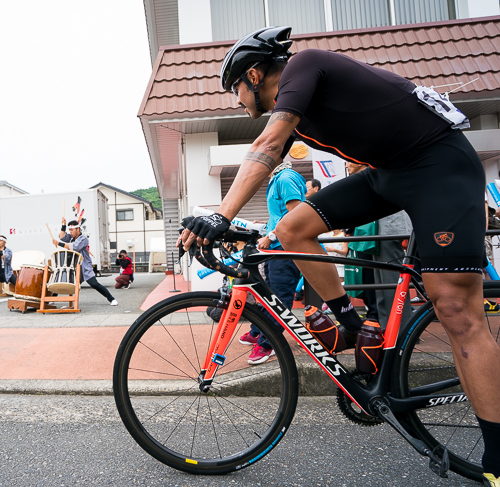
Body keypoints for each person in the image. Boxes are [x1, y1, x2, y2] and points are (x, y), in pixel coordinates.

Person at [181, 26, 500, 480]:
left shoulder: (305, 65)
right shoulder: (304, 109)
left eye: (235, 90)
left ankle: (498, 459)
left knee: (455, 308)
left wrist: (220, 215)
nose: (237, 101)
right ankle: (348, 320)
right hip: (391, 173)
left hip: (439, 166)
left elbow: (268, 146)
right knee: (294, 229)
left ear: (253, 75)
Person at [238, 160, 304, 364]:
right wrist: (266, 227)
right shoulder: (278, 179)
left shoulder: (285, 178)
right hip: (276, 250)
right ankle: (259, 331)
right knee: (267, 295)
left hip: (285, 249)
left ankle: (269, 344)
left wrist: (271, 236)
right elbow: (281, 215)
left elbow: (297, 214)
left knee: (280, 299)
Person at [54, 219, 117, 306]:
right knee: (64, 281)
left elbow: (75, 247)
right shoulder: (71, 238)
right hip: (75, 267)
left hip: (85, 266)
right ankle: (51, 299)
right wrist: (63, 226)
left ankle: (111, 299)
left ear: (78, 229)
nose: (70, 232)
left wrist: (59, 244)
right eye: (70, 230)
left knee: (94, 284)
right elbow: (62, 237)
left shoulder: (83, 239)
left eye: (72, 230)